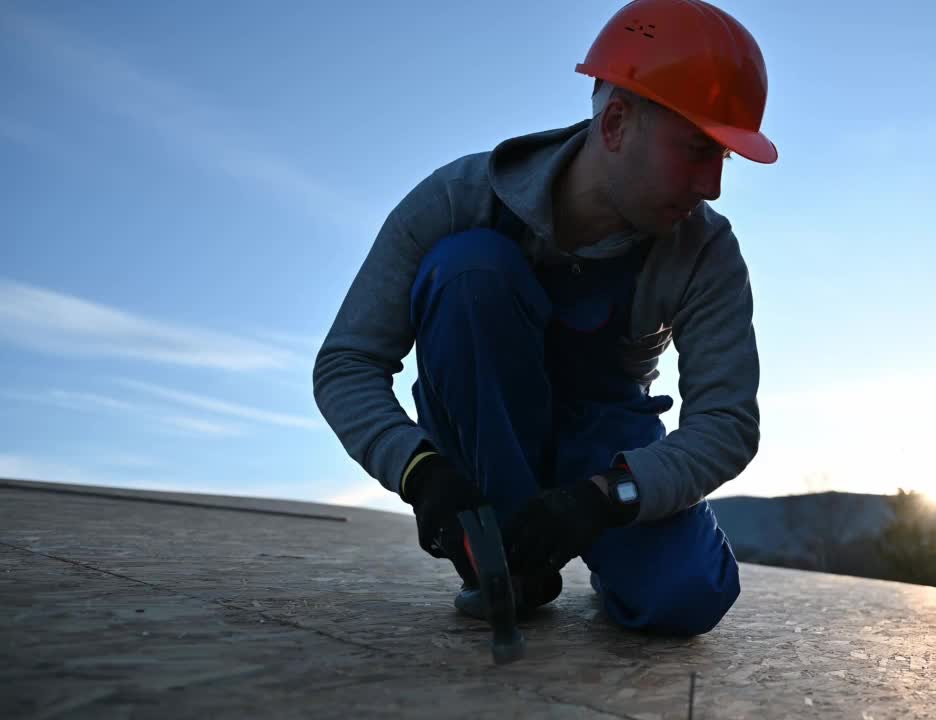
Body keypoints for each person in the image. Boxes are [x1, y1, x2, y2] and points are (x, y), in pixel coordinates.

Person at [312, 0, 776, 637]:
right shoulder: (456, 200)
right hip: (484, 423)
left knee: (686, 597)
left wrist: (606, 497)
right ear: (616, 122)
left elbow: (726, 423)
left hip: (606, 438)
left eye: (723, 159)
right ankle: (509, 561)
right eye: (698, 151)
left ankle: (581, 547)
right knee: (469, 271)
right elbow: (347, 364)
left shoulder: (707, 251)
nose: (713, 186)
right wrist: (420, 472)